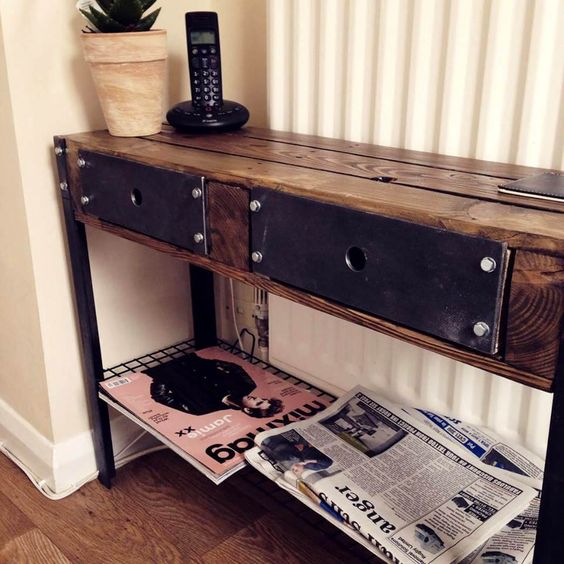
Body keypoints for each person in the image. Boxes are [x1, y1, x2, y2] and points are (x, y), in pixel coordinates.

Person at [145, 353, 283, 418]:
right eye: (263, 399)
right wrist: (207, 363)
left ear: (248, 410)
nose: (257, 398)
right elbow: (235, 367)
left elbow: (160, 396)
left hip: (158, 367)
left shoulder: (202, 409)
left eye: (258, 403)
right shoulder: (247, 384)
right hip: (186, 354)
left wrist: (163, 377)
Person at [262, 433, 332, 476]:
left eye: (293, 469)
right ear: (302, 471)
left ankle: (267, 442)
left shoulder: (297, 460)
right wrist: (310, 461)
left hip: (303, 443)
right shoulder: (312, 467)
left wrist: (299, 448)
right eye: (296, 470)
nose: (295, 468)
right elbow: (328, 462)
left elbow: (297, 450)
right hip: (317, 445)